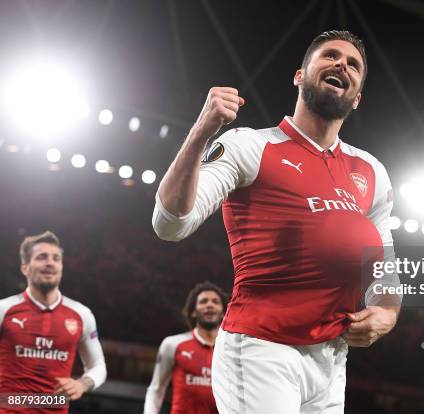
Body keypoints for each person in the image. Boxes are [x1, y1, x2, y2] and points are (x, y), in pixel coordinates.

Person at [153, 30, 401, 413]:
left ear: (358, 98)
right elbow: (170, 224)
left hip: (332, 361)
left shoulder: (371, 171)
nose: (342, 65)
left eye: (353, 65)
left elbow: (384, 264)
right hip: (261, 350)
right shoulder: (250, 145)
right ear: (299, 76)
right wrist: (202, 131)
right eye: (330, 56)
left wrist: (386, 313)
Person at [0, 231, 107, 413]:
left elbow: (98, 367)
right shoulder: (4, 310)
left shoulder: (81, 314)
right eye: (42, 257)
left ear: (61, 267)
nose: (50, 262)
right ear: (25, 267)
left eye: (56, 258)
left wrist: (81, 384)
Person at [144, 281, 226, 414]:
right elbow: (156, 389)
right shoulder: (173, 344)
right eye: (204, 301)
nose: (210, 305)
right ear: (194, 312)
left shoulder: (230, 350)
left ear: (223, 313)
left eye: (215, 302)